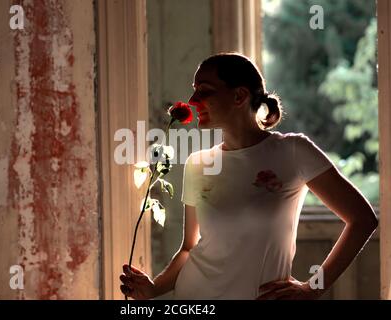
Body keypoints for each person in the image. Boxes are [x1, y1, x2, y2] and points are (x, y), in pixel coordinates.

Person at [119, 52, 378, 300]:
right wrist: (153, 290)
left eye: (204, 91)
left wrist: (312, 289)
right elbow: (189, 247)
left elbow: (362, 219)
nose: (192, 100)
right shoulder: (197, 163)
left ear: (239, 96)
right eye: (194, 89)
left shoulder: (294, 152)